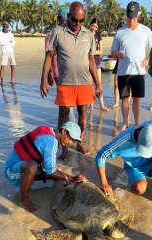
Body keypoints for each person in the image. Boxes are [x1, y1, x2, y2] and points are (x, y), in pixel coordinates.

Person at [40, 1, 101, 161]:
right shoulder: (57, 32)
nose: (78, 24)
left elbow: (92, 61)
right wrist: (43, 80)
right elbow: (49, 57)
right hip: (65, 83)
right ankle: (64, 147)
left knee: (83, 113)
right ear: (68, 17)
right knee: (64, 115)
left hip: (85, 82)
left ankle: (79, 141)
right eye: (75, 20)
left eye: (82, 20)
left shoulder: (88, 34)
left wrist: (98, 84)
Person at [3, 122, 86, 212]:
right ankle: (24, 201)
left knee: (59, 169)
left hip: (22, 167)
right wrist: (71, 178)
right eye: (70, 138)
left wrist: (66, 178)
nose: (69, 143)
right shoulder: (51, 141)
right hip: (10, 171)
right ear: (64, 131)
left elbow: (47, 164)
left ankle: (27, 181)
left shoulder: (48, 131)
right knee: (32, 166)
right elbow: (51, 171)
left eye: (73, 141)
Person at [95, 120, 152, 208]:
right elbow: (100, 156)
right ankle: (137, 178)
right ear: (139, 133)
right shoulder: (122, 141)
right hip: (134, 167)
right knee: (140, 188)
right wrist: (104, 183)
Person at [111, 1, 152, 131]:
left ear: (138, 15)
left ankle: (136, 123)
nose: (131, 19)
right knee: (124, 99)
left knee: (136, 99)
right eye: (129, 16)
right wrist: (117, 54)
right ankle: (125, 122)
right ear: (126, 15)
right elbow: (112, 53)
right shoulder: (120, 32)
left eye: (134, 16)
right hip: (123, 72)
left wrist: (148, 58)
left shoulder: (145, 30)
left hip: (139, 71)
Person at [45, 6, 76, 123]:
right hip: (59, 74)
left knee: (64, 105)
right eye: (63, 21)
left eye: (67, 21)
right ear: (58, 19)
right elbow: (48, 56)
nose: (66, 23)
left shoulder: (70, 33)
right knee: (67, 105)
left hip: (71, 74)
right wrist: (48, 74)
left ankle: (61, 130)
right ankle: (75, 132)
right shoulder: (51, 34)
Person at [89, 17, 110, 112]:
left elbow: (101, 51)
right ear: (90, 25)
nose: (94, 28)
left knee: (99, 84)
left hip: (97, 62)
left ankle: (102, 104)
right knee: (90, 84)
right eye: (93, 26)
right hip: (88, 63)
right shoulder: (86, 34)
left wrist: (91, 52)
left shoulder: (98, 35)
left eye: (96, 27)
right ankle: (91, 105)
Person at [111, 22, 125, 108]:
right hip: (118, 62)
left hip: (126, 63)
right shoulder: (116, 40)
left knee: (127, 84)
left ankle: (127, 99)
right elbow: (113, 52)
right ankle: (116, 102)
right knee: (116, 84)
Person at [0, 21, 16, 87]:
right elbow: (1, 43)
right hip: (4, 52)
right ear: (2, 26)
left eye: (6, 26)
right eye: (4, 26)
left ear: (8, 27)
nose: (5, 27)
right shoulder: (0, 33)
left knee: (13, 66)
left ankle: (12, 81)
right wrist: (9, 42)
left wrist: (6, 42)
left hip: (11, 51)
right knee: (3, 66)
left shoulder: (11, 34)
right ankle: (1, 82)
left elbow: (14, 44)